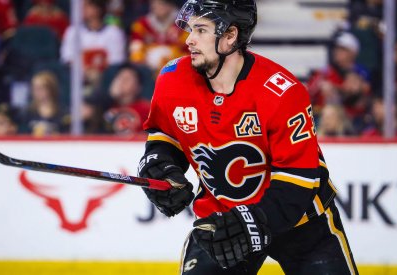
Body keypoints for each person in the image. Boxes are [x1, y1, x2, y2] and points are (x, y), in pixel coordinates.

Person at [137, 1, 358, 274]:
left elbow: (297, 181)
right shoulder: (172, 79)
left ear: (230, 36)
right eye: (191, 29)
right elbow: (166, 137)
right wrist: (162, 165)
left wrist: (251, 223)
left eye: (202, 30)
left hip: (303, 224)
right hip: (223, 220)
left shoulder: (282, 92)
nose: (189, 39)